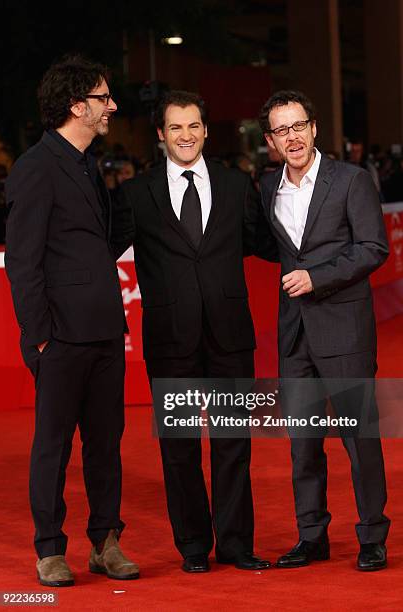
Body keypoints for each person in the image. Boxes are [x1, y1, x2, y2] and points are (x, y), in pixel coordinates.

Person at [112, 90, 274, 574]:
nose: (186, 135)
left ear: (205, 130)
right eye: (175, 127)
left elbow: (264, 241)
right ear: (161, 135)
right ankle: (193, 547)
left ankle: (236, 544)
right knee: (179, 451)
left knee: (233, 445)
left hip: (229, 337)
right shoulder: (135, 195)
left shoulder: (235, 185)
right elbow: (97, 249)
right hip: (170, 340)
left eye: (194, 126)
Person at [5, 55, 139, 587]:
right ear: (76, 105)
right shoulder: (35, 168)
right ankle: (49, 550)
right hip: (59, 336)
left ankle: (106, 542)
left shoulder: (89, 163)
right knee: (53, 446)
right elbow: (24, 260)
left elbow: (96, 244)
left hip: (106, 329)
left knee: (106, 444)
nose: (112, 106)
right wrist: (38, 337)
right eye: (104, 98)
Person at [258, 90, 390, 572]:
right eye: (280, 130)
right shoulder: (268, 187)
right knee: (303, 445)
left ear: (313, 128)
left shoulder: (351, 180)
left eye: (298, 126)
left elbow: (374, 247)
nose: (291, 137)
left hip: (345, 330)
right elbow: (274, 246)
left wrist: (318, 277)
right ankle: (311, 536)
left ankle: (372, 536)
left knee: (360, 439)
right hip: (294, 335)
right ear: (270, 140)